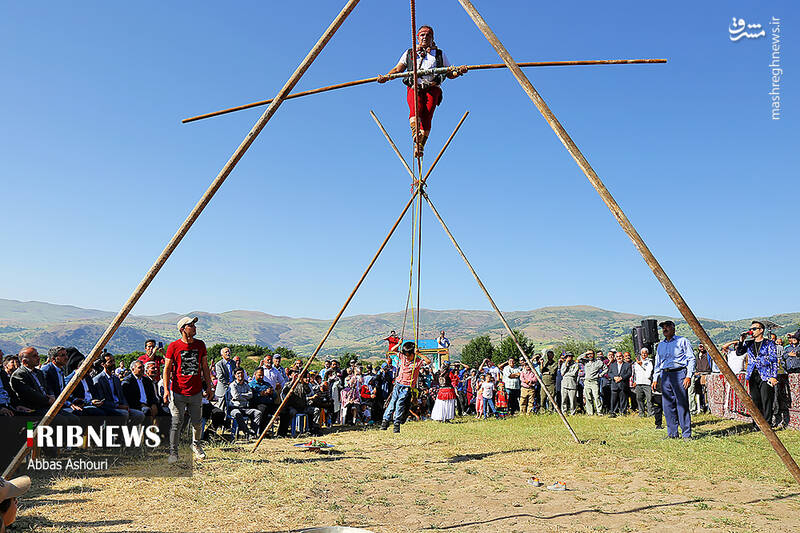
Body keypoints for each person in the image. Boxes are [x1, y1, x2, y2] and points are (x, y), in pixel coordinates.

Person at [377, 25, 468, 157]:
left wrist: (459, 71)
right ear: (417, 38)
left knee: (428, 113)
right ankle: (416, 134)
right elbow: (398, 69)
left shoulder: (439, 54)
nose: (425, 37)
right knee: (416, 108)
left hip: (432, 87)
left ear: (432, 38)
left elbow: (450, 72)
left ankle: (420, 146)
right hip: (415, 86)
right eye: (422, 35)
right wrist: (387, 77)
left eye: (428, 35)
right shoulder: (410, 53)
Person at [163, 316, 213, 463]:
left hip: (196, 391)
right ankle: (173, 452)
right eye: (191, 325)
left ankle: (196, 446)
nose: (195, 327)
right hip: (178, 391)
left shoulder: (200, 345)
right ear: (183, 329)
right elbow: (166, 369)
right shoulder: (173, 346)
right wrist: (166, 390)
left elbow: (205, 367)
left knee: (197, 422)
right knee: (177, 422)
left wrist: (209, 386)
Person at [652, 320, 695, 439]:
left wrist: (688, 376)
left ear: (673, 328)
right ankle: (672, 434)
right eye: (663, 328)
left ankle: (686, 434)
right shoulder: (660, 345)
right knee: (667, 405)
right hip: (665, 375)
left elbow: (691, 359)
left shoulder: (682, 341)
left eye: (667, 327)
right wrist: (655, 378)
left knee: (682, 404)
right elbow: (658, 363)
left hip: (679, 373)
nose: (665, 329)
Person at [381, 342, 431, 432]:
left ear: (413, 354)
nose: (407, 357)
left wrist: (418, 354)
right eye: (406, 355)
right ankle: (385, 420)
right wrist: (399, 343)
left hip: (407, 386)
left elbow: (428, 361)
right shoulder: (403, 357)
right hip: (398, 384)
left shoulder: (418, 361)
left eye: (409, 356)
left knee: (399, 403)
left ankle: (397, 422)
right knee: (392, 402)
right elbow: (393, 350)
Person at [736, 320, 778, 427]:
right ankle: (757, 423)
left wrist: (773, 376)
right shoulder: (749, 343)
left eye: (754, 329)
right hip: (752, 374)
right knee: (755, 400)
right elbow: (739, 352)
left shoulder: (769, 343)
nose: (752, 331)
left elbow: (774, 361)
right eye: (751, 329)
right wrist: (741, 341)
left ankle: (767, 424)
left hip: (766, 375)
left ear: (761, 330)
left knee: (766, 399)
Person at [94, 353, 144, 424]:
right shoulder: (98, 380)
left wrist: (126, 406)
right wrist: (118, 406)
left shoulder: (116, 379)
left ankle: (129, 432)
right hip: (109, 407)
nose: (113, 363)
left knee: (139, 415)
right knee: (124, 414)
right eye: (110, 362)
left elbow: (121, 395)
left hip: (120, 406)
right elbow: (102, 400)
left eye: (114, 361)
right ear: (103, 364)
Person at [121, 360, 160, 424]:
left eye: (143, 367)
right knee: (147, 411)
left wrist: (153, 404)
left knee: (166, 413)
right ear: (133, 369)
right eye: (140, 367)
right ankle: (144, 433)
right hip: (136, 405)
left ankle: (164, 433)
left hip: (148, 404)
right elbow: (128, 398)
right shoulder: (128, 381)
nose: (142, 369)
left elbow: (152, 394)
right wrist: (141, 404)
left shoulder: (146, 380)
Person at [228, 368, 261, 438]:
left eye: (242, 373)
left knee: (258, 413)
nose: (240, 375)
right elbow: (236, 396)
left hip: (245, 408)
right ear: (235, 375)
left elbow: (251, 395)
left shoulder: (246, 385)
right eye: (238, 373)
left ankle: (253, 433)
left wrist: (241, 395)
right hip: (234, 408)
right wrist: (245, 396)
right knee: (237, 414)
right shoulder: (232, 385)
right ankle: (246, 431)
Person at [607, 351, 632, 417]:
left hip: (623, 384)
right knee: (613, 400)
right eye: (617, 356)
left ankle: (623, 412)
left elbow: (629, 373)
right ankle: (613, 413)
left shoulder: (627, 365)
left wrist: (621, 378)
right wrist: (614, 377)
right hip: (614, 385)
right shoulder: (612, 365)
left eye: (620, 356)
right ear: (615, 357)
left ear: (623, 357)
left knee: (623, 399)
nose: (619, 358)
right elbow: (609, 373)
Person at [581, 351, 605, 416]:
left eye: (591, 354)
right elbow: (578, 358)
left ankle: (599, 412)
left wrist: (600, 375)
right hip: (587, 381)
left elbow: (605, 369)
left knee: (596, 397)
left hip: (594, 381)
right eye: (588, 354)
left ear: (594, 355)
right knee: (588, 397)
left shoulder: (598, 362)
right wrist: (585, 353)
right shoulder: (585, 362)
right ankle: (590, 412)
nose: (590, 355)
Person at [633, 348, 654, 417]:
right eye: (642, 353)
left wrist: (642, 365)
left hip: (647, 383)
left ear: (647, 354)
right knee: (639, 399)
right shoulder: (636, 363)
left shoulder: (650, 362)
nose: (644, 354)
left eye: (645, 353)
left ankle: (650, 413)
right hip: (638, 383)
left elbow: (648, 374)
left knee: (649, 399)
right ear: (640, 354)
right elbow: (635, 373)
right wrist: (635, 381)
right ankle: (641, 413)